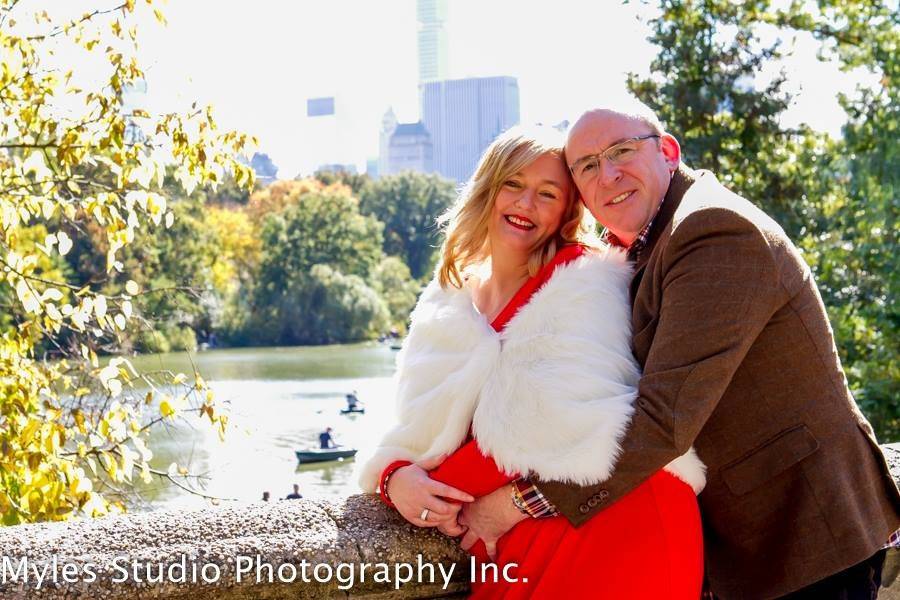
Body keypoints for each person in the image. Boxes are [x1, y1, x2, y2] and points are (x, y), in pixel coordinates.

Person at [455, 99, 900, 599]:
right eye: (587, 166)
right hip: (750, 540)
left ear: (667, 151)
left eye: (622, 151)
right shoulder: (642, 241)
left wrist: (517, 503)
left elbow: (664, 419)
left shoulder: (714, 231)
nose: (608, 174)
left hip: (803, 534)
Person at [358, 125, 706, 598]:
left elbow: (558, 424)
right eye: (514, 185)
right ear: (488, 188)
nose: (526, 205)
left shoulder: (586, 282)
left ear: (567, 211)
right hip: (509, 544)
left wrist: (436, 491)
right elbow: (415, 430)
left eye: (547, 194)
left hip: (619, 524)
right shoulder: (443, 304)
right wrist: (393, 477)